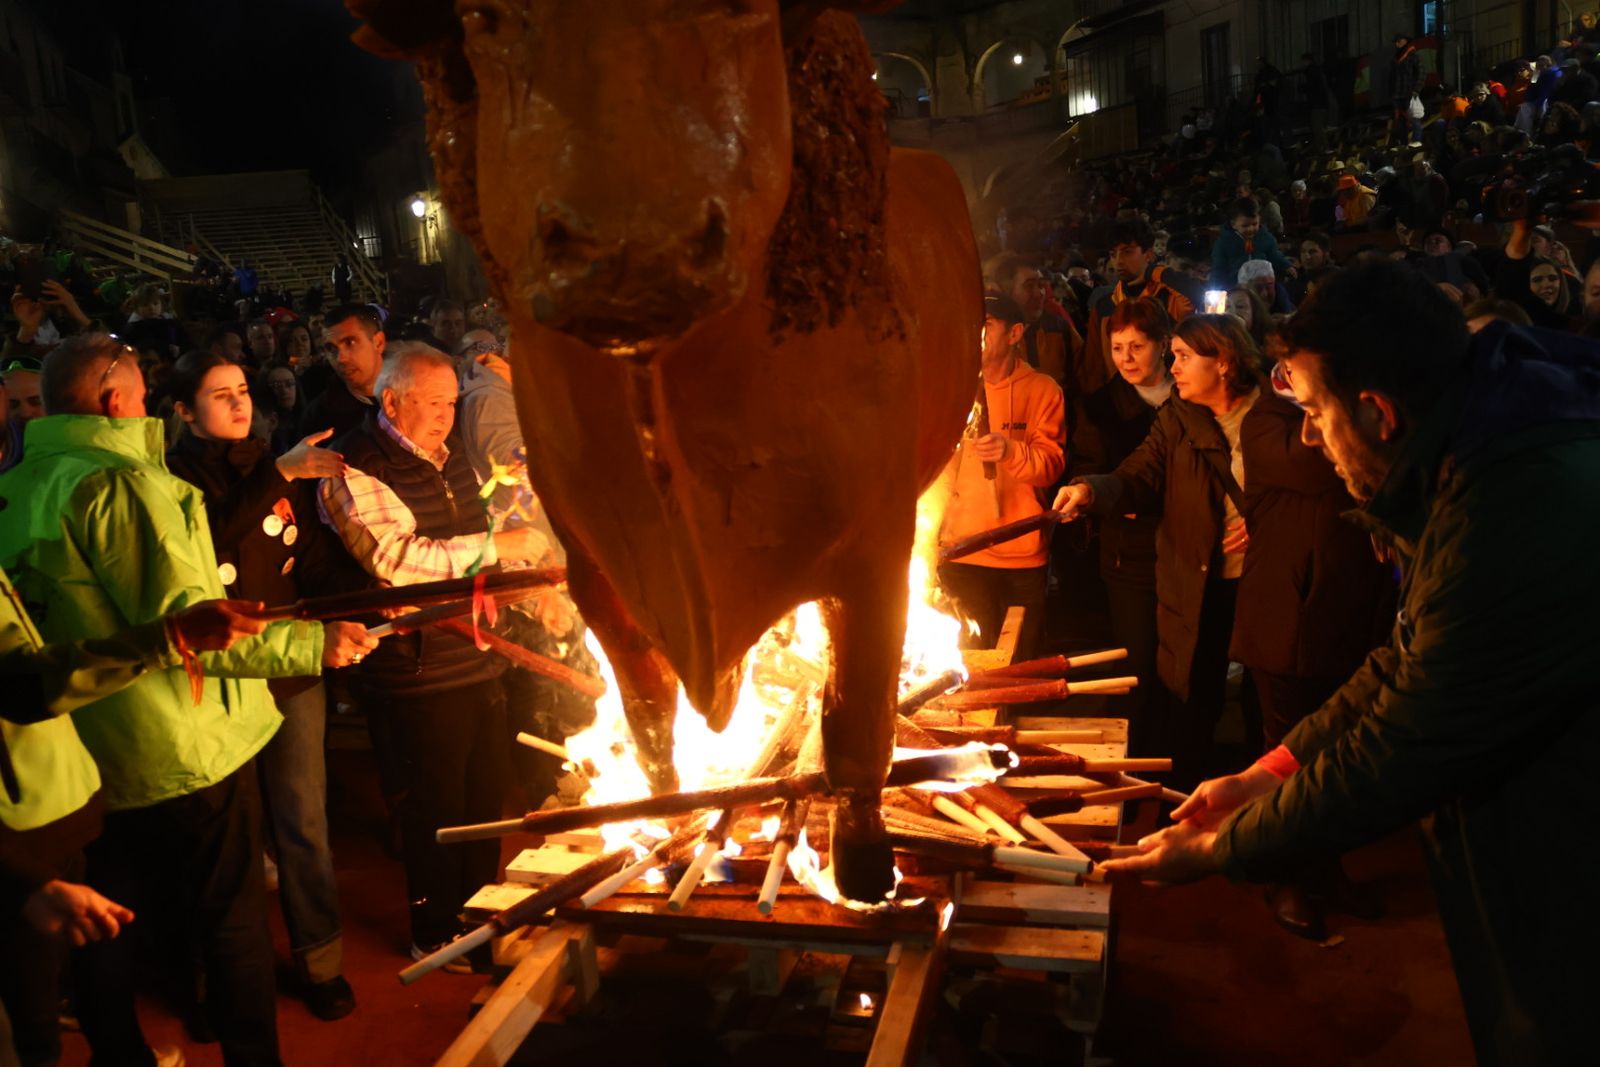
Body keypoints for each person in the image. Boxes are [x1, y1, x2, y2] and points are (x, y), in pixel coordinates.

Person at [1102, 260, 1600, 1065]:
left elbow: (1400, 744)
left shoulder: (1507, 511)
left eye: (1314, 411)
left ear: (1376, 412)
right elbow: (1398, 663)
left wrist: (1217, 850)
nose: (1306, 437)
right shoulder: (1483, 445)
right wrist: (1262, 774)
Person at [0, 333, 372, 1066]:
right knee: (232, 923)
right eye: (140, 390)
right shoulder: (123, 485)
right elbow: (196, 624)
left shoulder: (20, 481)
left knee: (111, 921)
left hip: (90, 752)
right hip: (183, 745)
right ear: (116, 402)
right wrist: (312, 646)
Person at [165, 351, 375, 1022]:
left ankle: (320, 961)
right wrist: (276, 473)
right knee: (218, 838)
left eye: (242, 391)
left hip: (289, 673)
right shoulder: (170, 480)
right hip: (213, 679)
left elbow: (305, 553)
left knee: (303, 823)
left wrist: (364, 603)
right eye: (219, 393)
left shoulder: (267, 465)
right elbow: (213, 546)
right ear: (182, 410)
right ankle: (214, 979)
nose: (239, 402)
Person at [318, 343, 546, 959]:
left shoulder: (451, 460)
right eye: (434, 403)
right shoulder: (353, 465)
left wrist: (524, 583)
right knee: (435, 809)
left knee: (482, 798)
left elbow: (473, 540)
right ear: (392, 400)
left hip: (475, 653)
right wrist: (501, 549)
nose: (448, 416)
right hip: (413, 670)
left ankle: (481, 919)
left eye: (452, 402)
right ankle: (437, 931)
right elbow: (395, 561)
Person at [0, 565, 268, 1067]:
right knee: (26, 1035)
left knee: (90, 950)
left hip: (63, 803)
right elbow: (18, 684)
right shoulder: (113, 485)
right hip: (22, 832)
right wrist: (170, 637)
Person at [1053, 314, 1262, 787]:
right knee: (1193, 694)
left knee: (1264, 696)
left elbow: (1311, 489)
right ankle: (1186, 797)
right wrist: (1090, 490)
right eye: (1175, 355)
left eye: (1185, 357)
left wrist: (1267, 521)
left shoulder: (1275, 416)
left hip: (1263, 581)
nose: (1175, 365)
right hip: (1200, 579)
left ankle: (1264, 800)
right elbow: (1139, 472)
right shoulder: (1177, 416)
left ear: (1224, 363)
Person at [1227, 361, 1398, 940]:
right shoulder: (1268, 419)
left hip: (1351, 614)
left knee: (1337, 755)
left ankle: (1325, 866)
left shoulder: (1348, 408)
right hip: (1285, 619)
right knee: (1285, 755)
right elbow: (1315, 462)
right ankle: (1283, 874)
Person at [1067, 299, 1173, 754]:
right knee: (1138, 663)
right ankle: (1138, 758)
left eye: (1137, 347)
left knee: (1183, 666)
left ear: (1165, 345)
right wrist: (1094, 494)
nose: (1126, 359)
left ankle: (1182, 758)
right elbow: (1091, 466)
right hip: (1128, 552)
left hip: (1189, 550)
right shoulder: (1100, 407)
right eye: (1117, 348)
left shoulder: (1190, 397)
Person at [936, 295, 1066, 659]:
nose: (976, 333)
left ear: (1014, 333)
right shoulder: (952, 389)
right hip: (961, 551)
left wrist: (1011, 451)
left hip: (1021, 553)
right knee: (969, 662)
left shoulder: (1042, 390)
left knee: (1019, 664)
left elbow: (1051, 467)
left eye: (987, 324)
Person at [1084, 218, 1201, 394]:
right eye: (1113, 254)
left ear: (1148, 254)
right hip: (1120, 403)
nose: (1119, 261)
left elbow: (1197, 296)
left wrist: (1154, 271)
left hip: (1170, 396)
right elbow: (1094, 364)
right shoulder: (1105, 306)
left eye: (1127, 252)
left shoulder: (1167, 298)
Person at [985, 253, 1086, 398]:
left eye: (1041, 285)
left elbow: (1086, 385)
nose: (1039, 293)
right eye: (1029, 286)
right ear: (1006, 292)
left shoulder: (1059, 330)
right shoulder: (988, 336)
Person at [299, 304, 384, 441]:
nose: (340, 358)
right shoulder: (319, 417)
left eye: (350, 343)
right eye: (331, 348)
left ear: (379, 342)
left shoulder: (416, 393)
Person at [1210, 198, 1291, 289]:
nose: (1251, 229)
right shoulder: (1223, 243)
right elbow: (1219, 268)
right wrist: (1216, 288)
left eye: (1254, 224)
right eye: (1245, 226)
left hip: (1262, 284)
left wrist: (1286, 266)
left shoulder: (1265, 238)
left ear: (1259, 220)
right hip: (1236, 286)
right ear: (1233, 224)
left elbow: (1274, 254)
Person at [1287, 232, 1337, 305]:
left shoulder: (1336, 276)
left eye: (1312, 252)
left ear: (1326, 254)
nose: (1307, 257)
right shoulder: (1296, 277)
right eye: (1303, 251)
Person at [1390, 34, 1423, 144]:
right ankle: (1403, 143)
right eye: (1396, 41)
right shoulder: (1396, 58)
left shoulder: (1413, 56)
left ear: (1405, 41)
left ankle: (1417, 140)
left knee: (1414, 117)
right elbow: (1392, 78)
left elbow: (1421, 73)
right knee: (1400, 120)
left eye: (1399, 41)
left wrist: (1416, 89)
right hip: (1398, 94)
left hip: (1409, 93)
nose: (1396, 44)